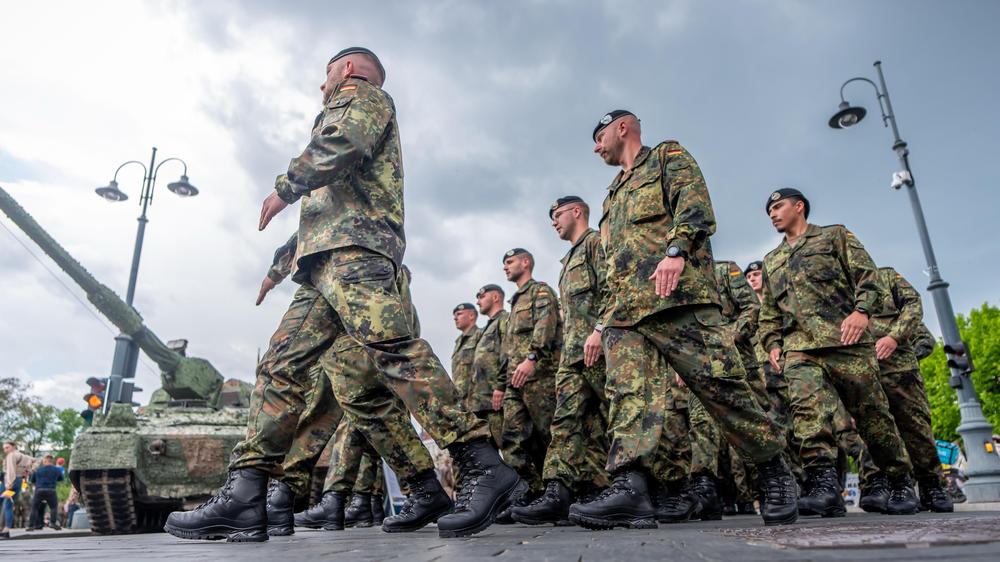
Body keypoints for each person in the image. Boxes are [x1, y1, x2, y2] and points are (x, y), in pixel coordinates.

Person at [165, 47, 520, 543]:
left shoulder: (363, 98)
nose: (322, 84)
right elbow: (324, 212)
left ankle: (482, 464)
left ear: (346, 69)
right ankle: (246, 493)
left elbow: (343, 144)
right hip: (323, 262)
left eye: (326, 74)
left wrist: (285, 187)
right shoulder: (345, 110)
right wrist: (279, 266)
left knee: (394, 351)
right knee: (280, 365)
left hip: (357, 252)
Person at [571, 110, 796, 530]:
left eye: (599, 136)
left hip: (677, 299)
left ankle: (773, 469)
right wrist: (603, 324)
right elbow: (613, 267)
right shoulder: (611, 195)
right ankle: (630, 488)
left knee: (722, 390)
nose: (595, 146)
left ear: (623, 127)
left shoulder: (666, 157)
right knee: (630, 399)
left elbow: (694, 207)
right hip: (626, 314)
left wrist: (675, 252)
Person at [758, 187, 918, 517]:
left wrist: (862, 311)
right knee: (807, 416)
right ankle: (824, 487)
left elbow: (868, 276)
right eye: (769, 210)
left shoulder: (834, 237)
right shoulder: (772, 260)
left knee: (874, 417)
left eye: (778, 206)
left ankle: (900, 481)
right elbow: (770, 310)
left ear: (798, 207)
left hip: (847, 344)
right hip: (801, 349)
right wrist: (773, 343)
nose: (773, 213)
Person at [512, 196, 610, 525]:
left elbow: (613, 289)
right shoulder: (568, 259)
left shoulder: (597, 243)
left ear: (577, 211)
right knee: (566, 422)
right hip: (573, 357)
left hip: (604, 350)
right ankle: (559, 491)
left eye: (557, 215)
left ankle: (658, 487)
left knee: (616, 420)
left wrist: (599, 330)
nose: (554, 221)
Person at [864, 265, 953, 512]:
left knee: (916, 428)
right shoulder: (834, 287)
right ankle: (895, 485)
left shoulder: (885, 276)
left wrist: (895, 338)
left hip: (899, 370)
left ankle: (931, 483)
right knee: (876, 431)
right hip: (860, 374)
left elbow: (913, 306)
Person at [497, 248, 562, 521]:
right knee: (512, 439)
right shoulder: (514, 303)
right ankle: (534, 491)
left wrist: (533, 356)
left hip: (540, 376)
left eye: (509, 262)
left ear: (526, 262)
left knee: (548, 436)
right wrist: (502, 383)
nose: (505, 267)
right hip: (515, 381)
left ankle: (561, 493)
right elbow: (508, 349)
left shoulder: (541, 292)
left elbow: (546, 327)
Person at [469, 284, 509, 448]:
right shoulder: (486, 328)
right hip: (482, 403)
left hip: (497, 401)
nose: (478, 302)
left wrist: (501, 386)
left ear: (495, 297)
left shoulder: (504, 319)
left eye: (481, 297)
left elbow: (509, 354)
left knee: (511, 452)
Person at [2, 442, 33, 539]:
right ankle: (5, 528)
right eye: (4, 448)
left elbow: (11, 470)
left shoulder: (11, 455)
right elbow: (34, 461)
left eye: (7, 447)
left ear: (14, 447)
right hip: (19, 481)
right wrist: (26, 473)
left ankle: (6, 529)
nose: (5, 450)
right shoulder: (25, 456)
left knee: (7, 505)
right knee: (8, 505)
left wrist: (9, 485)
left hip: (10, 481)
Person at [27, 454, 63, 531]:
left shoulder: (38, 470)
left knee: (34, 508)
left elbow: (32, 480)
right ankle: (53, 523)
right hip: (51, 490)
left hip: (39, 490)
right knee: (53, 507)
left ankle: (31, 525)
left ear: (45, 461)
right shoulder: (56, 469)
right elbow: (61, 478)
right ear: (51, 461)